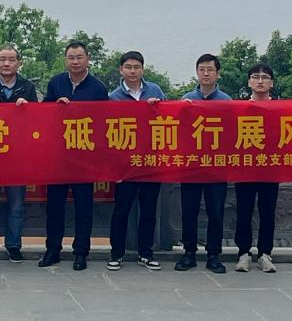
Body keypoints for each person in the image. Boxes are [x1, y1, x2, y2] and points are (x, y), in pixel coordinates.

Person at [38, 40, 109, 271]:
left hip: (85, 157)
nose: (75, 61)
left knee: (83, 207)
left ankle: (81, 252)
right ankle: (53, 250)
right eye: (71, 57)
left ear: (88, 59)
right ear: (65, 60)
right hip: (58, 156)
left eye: (79, 57)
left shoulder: (98, 88)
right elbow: (43, 113)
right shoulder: (56, 82)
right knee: (54, 206)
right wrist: (55, 106)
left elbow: (104, 122)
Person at [0, 44, 38, 262]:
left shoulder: (27, 88)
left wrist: (28, 107)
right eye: (2, 59)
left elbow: (37, 120)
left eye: (11, 60)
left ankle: (13, 245)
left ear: (19, 63)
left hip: (18, 157)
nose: (6, 64)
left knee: (16, 204)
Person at [107, 50, 166, 271]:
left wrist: (157, 108)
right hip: (125, 165)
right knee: (121, 211)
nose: (133, 71)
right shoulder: (113, 97)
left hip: (150, 162)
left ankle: (146, 253)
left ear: (143, 69)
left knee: (148, 211)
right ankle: (116, 253)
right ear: (121, 70)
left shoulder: (155, 91)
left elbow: (169, 122)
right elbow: (107, 133)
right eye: (128, 67)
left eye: (137, 67)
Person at [176, 53, 232, 274]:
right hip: (191, 166)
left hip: (216, 167)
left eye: (210, 70)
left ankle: (214, 255)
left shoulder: (226, 102)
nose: (206, 74)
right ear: (197, 73)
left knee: (215, 212)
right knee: (188, 211)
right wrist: (180, 110)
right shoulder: (186, 99)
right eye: (202, 69)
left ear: (218, 73)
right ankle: (189, 252)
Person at [234, 62, 279, 274]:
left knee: (268, 212)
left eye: (265, 77)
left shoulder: (281, 109)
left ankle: (264, 254)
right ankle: (243, 253)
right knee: (243, 211)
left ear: (272, 83)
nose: (260, 81)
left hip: (271, 168)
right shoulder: (239, 109)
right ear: (249, 82)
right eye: (255, 77)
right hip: (245, 168)